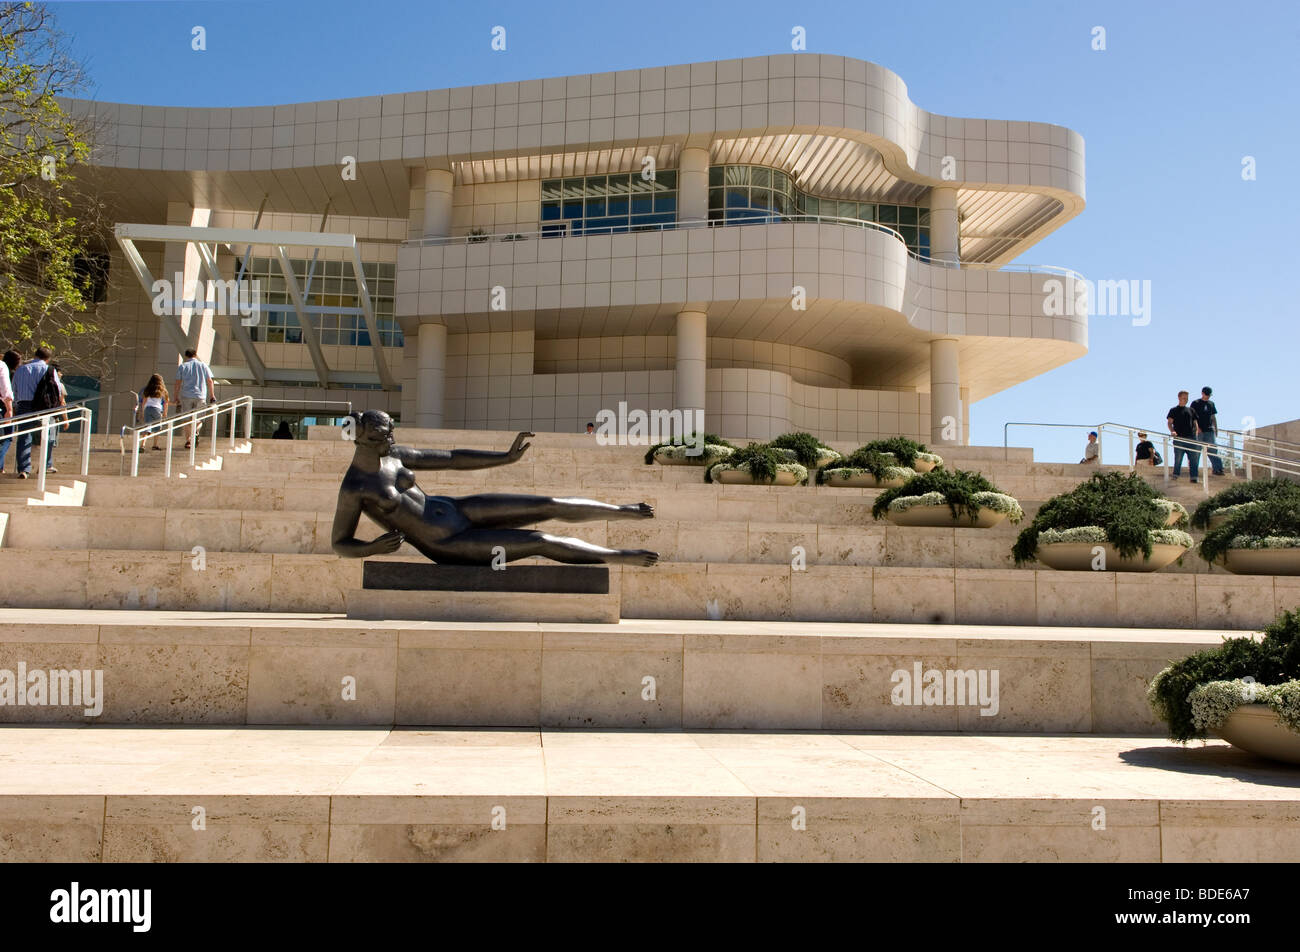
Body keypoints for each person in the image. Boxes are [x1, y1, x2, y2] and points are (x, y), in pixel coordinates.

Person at [331, 410, 658, 565]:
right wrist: (372, 548)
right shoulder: (354, 487)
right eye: (380, 437)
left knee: (549, 504)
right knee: (539, 540)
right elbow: (340, 543)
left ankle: (621, 511)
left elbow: (453, 458)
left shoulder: (395, 454)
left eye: (391, 433)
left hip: (458, 509)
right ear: (358, 438)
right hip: (447, 542)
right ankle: (620, 556)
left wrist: (505, 458)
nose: (389, 440)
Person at [10, 347, 59, 479]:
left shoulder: (21, 369)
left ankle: (24, 469)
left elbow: (13, 390)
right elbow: (57, 390)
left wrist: (15, 407)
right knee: (47, 435)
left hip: (24, 405)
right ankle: (46, 465)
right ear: (48, 359)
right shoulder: (50, 370)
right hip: (44, 406)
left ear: (35, 355)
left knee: (24, 437)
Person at [174, 348, 215, 449]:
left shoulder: (182, 366)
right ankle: (196, 432)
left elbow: (178, 383)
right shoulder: (203, 365)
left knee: (186, 419)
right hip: (200, 395)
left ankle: (188, 441)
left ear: (186, 356)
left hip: (186, 395)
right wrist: (212, 395)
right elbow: (210, 381)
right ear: (195, 355)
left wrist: (175, 396)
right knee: (199, 419)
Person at [1166, 390, 1200, 482]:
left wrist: (1196, 433)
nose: (1186, 400)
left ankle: (1194, 477)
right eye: (1184, 398)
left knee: (1194, 459)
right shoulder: (1173, 410)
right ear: (1179, 398)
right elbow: (1169, 423)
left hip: (1191, 438)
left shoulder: (1191, 410)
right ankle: (1175, 475)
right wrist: (1172, 431)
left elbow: (1195, 422)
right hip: (1179, 438)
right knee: (1178, 458)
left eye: (1187, 398)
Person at [1190, 386, 1224, 476]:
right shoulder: (1195, 403)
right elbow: (1192, 417)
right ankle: (1193, 470)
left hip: (1209, 430)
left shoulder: (1211, 404)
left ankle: (1218, 469)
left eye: (1209, 395)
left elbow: (1213, 417)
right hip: (1199, 431)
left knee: (1213, 450)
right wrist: (1197, 428)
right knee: (1196, 451)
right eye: (1206, 394)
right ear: (1202, 393)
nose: (1207, 396)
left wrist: (1216, 429)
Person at [137, 374, 169, 450]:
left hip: (148, 409)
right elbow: (166, 402)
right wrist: (165, 413)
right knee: (157, 428)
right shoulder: (163, 390)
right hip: (157, 409)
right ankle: (155, 445)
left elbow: (144, 401)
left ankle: (142, 445)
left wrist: (143, 412)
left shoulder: (147, 389)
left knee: (147, 427)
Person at [0, 350, 15, 474]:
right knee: (6, 437)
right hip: (1, 406)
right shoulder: (1, 366)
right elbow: (5, 389)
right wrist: (9, 409)